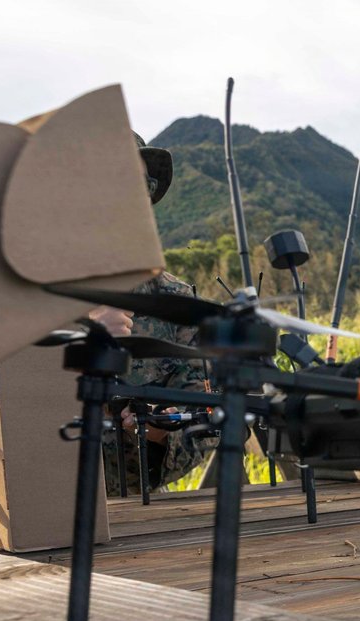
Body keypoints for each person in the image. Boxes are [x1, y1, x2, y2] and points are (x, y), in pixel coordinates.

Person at [93, 134, 213, 496]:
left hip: (135, 517)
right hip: (22, 516)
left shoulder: (176, 302)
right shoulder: (24, 293)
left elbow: (206, 426)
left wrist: (162, 430)